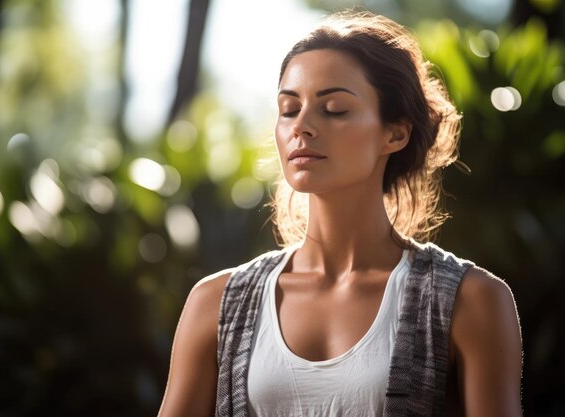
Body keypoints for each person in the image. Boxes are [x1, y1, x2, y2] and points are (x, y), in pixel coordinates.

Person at [158, 10, 523, 417]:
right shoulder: (217, 303)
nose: (302, 126)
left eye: (333, 109)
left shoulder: (470, 301)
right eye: (289, 108)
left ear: (394, 132)